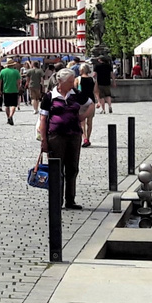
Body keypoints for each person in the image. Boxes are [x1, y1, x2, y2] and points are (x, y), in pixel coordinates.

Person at [39, 69, 89, 214]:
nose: (73, 84)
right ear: (61, 82)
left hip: (74, 135)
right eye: (70, 81)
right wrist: (44, 140)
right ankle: (56, 199)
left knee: (72, 168)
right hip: (56, 136)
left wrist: (83, 116)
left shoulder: (76, 94)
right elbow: (43, 119)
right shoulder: (49, 97)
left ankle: (70, 199)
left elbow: (91, 104)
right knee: (56, 169)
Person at [0, 59, 22, 126]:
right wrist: (18, 88)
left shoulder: (3, 71)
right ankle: (11, 116)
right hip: (14, 90)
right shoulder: (16, 72)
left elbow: (0, 81)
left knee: (7, 105)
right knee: (14, 105)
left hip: (6, 90)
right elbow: (18, 82)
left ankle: (8, 117)